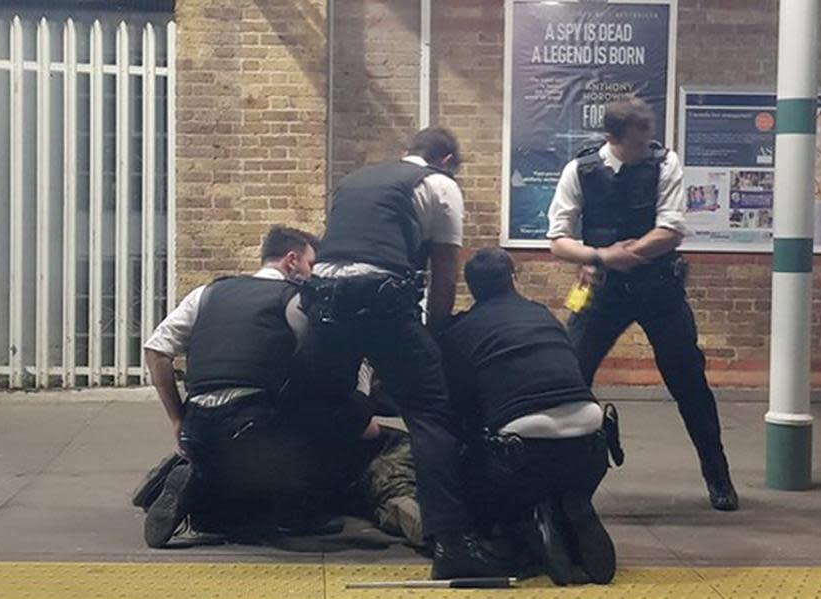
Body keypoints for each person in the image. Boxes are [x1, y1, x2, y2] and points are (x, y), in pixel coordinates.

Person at [300, 128, 517, 579]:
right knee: (431, 416)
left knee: (323, 402)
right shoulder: (440, 186)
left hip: (321, 299)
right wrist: (434, 336)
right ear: (446, 159)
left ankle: (307, 510)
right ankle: (453, 545)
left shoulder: (354, 181)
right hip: (380, 302)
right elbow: (444, 276)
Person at [141, 226, 421, 548]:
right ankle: (297, 514)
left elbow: (156, 351)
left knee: (243, 475)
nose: (313, 273)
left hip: (198, 429)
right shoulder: (295, 300)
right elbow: (326, 373)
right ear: (292, 261)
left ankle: (202, 482)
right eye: (311, 264)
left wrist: (178, 419)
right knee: (340, 427)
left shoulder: (207, 293)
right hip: (259, 429)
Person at [546, 97, 739, 511]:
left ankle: (718, 476)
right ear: (612, 138)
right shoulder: (579, 171)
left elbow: (671, 231)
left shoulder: (664, 164)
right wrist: (599, 257)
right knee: (568, 377)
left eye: (649, 136)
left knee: (690, 383)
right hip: (601, 289)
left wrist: (622, 255)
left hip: (658, 289)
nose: (647, 145)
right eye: (638, 140)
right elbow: (558, 240)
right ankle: (557, 480)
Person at [439, 248, 617, 586]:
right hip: (592, 449)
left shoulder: (462, 330)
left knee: (467, 462)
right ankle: (568, 506)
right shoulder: (542, 315)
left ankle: (528, 518)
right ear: (513, 279)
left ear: (473, 289)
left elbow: (459, 411)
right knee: (558, 470)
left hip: (521, 456)